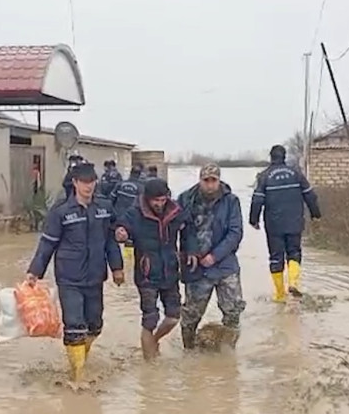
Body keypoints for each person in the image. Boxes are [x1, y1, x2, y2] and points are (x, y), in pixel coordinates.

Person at [26, 162, 125, 383]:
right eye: (84, 182)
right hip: (69, 277)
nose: (88, 186)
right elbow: (47, 244)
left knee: (95, 325)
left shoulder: (104, 207)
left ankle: (81, 355)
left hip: (95, 276)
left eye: (91, 182)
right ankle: (78, 375)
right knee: (74, 325)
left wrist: (117, 268)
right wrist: (35, 272)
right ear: (75, 183)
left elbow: (110, 241)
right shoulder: (61, 211)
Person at [114, 178, 191, 361]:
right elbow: (120, 227)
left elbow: (189, 232)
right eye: (155, 200)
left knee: (173, 316)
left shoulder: (175, 211)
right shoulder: (135, 213)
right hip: (146, 274)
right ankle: (149, 369)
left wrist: (190, 253)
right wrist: (121, 233)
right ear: (147, 199)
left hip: (170, 272)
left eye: (163, 200)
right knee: (150, 320)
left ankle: (155, 340)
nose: (159, 204)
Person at [177, 163, 246, 350]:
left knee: (233, 311)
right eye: (205, 180)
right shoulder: (185, 199)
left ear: (219, 180)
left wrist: (215, 256)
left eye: (213, 181)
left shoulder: (231, 201)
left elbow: (235, 233)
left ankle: (228, 352)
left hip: (225, 265)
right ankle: (188, 350)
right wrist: (191, 252)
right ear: (200, 180)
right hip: (196, 267)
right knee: (191, 315)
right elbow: (181, 229)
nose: (209, 185)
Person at [249, 144, 321, 301]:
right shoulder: (296, 173)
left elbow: (257, 200)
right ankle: (293, 282)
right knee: (294, 253)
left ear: (271, 157)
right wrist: (315, 214)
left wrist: (253, 220)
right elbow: (310, 195)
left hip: (274, 225)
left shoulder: (264, 176)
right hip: (295, 222)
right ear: (284, 156)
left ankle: (280, 295)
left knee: (276, 257)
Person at [110, 166, 143, 261]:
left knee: (116, 242)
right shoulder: (141, 187)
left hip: (118, 217)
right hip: (132, 219)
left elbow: (111, 199)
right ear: (139, 175)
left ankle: (118, 260)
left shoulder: (120, 184)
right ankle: (128, 260)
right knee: (130, 243)